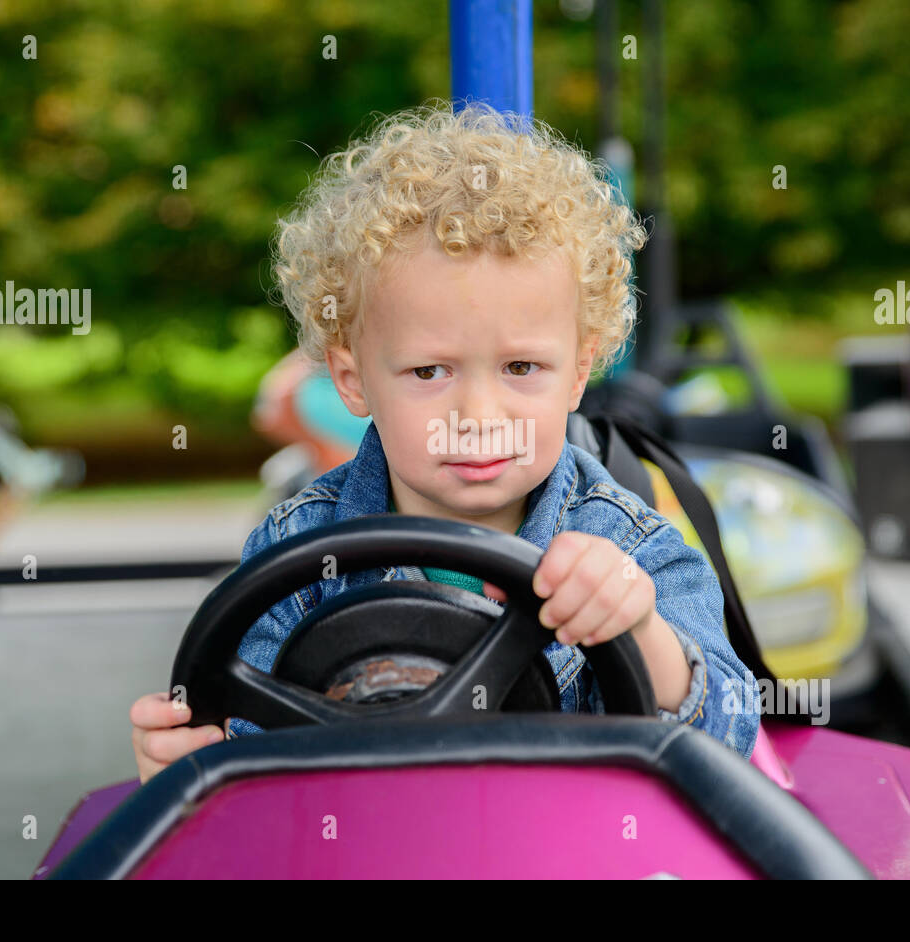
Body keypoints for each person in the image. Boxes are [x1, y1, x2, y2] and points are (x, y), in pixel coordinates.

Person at [131, 101, 760, 782]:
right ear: (353, 380)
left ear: (579, 372)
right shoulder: (298, 554)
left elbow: (732, 732)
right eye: (430, 371)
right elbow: (249, 752)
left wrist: (642, 632)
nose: (479, 413)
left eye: (522, 368)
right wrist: (194, 762)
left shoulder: (627, 545)